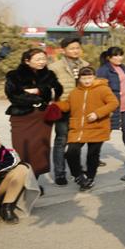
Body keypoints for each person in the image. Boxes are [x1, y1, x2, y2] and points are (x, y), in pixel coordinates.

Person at [4, 48, 62, 184]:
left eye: (44, 59)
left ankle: (33, 183)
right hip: (22, 118)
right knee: (22, 150)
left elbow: (58, 90)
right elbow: (13, 96)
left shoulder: (49, 75)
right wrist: (37, 99)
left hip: (42, 119)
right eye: (38, 59)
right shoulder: (14, 75)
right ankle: (22, 182)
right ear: (27, 61)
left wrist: (39, 90)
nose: (42, 62)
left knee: (39, 151)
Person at [54, 67, 118, 191]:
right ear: (79, 79)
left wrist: (97, 114)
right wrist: (56, 105)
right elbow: (68, 106)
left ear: (94, 77)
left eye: (89, 78)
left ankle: (90, 178)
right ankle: (78, 175)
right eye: (84, 78)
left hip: (97, 127)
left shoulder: (103, 89)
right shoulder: (74, 92)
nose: (87, 81)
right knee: (71, 152)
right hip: (78, 129)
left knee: (92, 155)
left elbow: (113, 103)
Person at [48, 37, 89, 185]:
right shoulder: (55, 67)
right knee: (61, 141)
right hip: (63, 108)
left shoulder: (86, 65)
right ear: (63, 50)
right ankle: (60, 173)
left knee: (78, 140)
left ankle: (76, 168)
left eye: (77, 48)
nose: (75, 51)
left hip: (81, 109)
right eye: (71, 48)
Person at [96, 47, 125, 164]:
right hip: (112, 106)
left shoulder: (123, 68)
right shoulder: (103, 70)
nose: (119, 58)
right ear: (109, 58)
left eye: (121, 55)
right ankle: (94, 156)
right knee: (106, 131)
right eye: (116, 56)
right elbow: (101, 89)